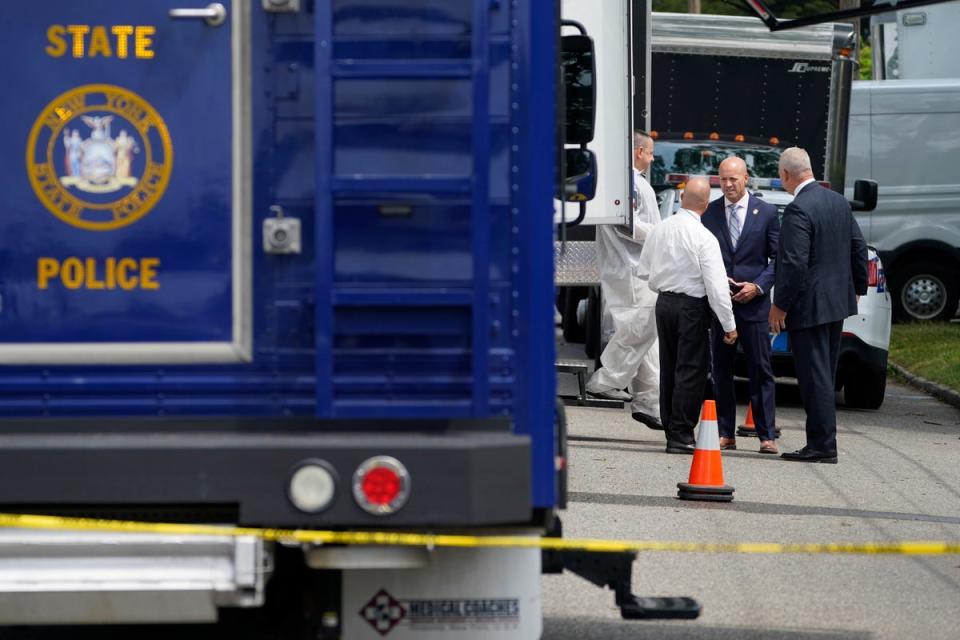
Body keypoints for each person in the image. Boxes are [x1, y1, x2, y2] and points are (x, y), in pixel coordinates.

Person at [769, 147, 867, 464]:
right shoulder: (838, 201)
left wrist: (780, 306)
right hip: (836, 302)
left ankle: (822, 445)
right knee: (825, 371)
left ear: (785, 175)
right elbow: (858, 246)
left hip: (809, 305)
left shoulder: (799, 209)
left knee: (815, 377)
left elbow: (794, 263)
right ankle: (823, 442)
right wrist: (858, 288)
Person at [637, 177, 737, 454]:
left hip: (664, 303)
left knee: (668, 367)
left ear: (682, 199)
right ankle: (681, 434)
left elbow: (643, 270)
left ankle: (672, 429)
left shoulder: (660, 230)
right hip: (692, 307)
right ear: (705, 205)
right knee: (690, 371)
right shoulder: (705, 237)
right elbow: (717, 288)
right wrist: (729, 325)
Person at [701, 157, 780, 454]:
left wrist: (758, 286)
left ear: (746, 178)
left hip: (754, 304)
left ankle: (766, 435)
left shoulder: (767, 213)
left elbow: (777, 259)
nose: (728, 184)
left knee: (761, 369)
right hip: (721, 305)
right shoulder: (709, 214)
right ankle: (725, 432)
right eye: (723, 179)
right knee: (721, 369)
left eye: (734, 179)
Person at [585, 130, 663, 430]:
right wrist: (661, 234)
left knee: (646, 340)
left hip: (629, 268)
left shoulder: (623, 182)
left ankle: (648, 402)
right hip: (633, 269)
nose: (653, 158)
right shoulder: (630, 183)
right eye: (651, 152)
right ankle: (605, 380)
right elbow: (627, 226)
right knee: (638, 331)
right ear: (639, 151)